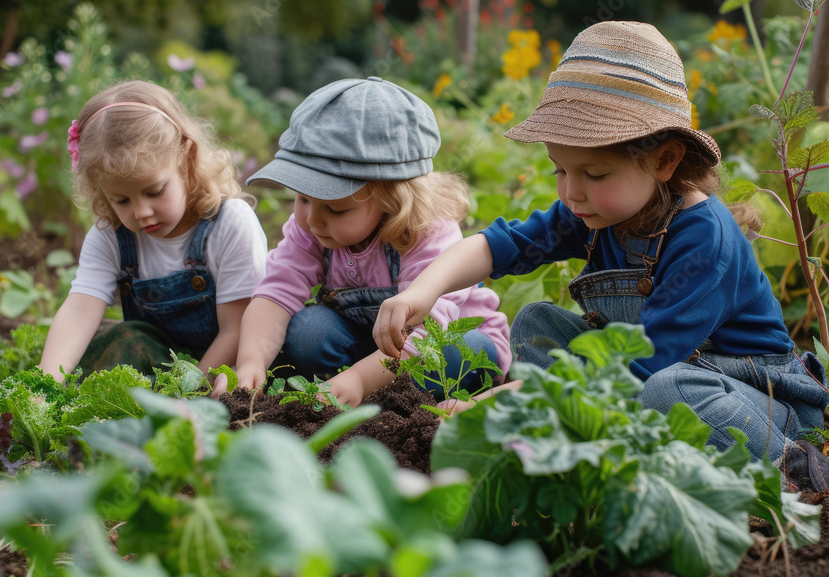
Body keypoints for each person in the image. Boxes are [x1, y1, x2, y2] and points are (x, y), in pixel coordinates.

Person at [373, 22, 829, 490]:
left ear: (665, 161)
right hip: (651, 378)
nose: (572, 193)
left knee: (666, 390)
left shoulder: (705, 242)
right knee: (536, 322)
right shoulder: (592, 210)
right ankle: (564, 442)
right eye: (560, 170)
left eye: (594, 173)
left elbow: (640, 368)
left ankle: (795, 470)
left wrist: (497, 401)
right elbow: (498, 244)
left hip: (758, 402)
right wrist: (421, 291)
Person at [235, 76, 510, 407]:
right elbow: (276, 292)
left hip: (440, 344)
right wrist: (250, 363)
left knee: (460, 352)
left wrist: (359, 379)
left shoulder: (427, 230)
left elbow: (426, 337)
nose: (312, 219)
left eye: (335, 208)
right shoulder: (312, 227)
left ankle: (374, 391)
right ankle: (366, 390)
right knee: (307, 332)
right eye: (303, 199)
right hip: (371, 346)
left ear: (392, 199)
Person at [39, 80, 267, 383]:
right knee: (123, 338)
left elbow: (237, 329)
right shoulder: (112, 236)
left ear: (187, 159)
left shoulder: (229, 224)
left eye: (155, 191)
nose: (141, 212)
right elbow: (80, 311)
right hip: (159, 364)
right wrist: (44, 382)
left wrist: (188, 390)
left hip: (227, 362)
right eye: (120, 200)